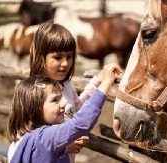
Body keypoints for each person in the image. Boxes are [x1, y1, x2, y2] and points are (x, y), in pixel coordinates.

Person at [27, 20, 121, 162]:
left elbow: (77, 108)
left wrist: (97, 80)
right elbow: (32, 137)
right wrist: (62, 145)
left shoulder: (66, 85)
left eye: (69, 56)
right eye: (58, 57)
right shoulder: (35, 92)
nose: (65, 63)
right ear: (41, 57)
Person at [7, 62, 121, 162]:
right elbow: (81, 122)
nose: (63, 104)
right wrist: (107, 81)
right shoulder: (45, 137)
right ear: (35, 107)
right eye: (55, 100)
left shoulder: (21, 138)